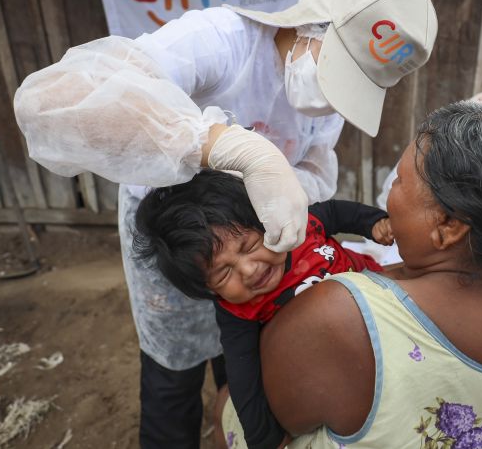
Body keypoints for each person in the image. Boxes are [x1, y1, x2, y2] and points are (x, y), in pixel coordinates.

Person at [13, 0, 437, 448]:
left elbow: (317, 172)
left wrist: (291, 192)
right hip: (182, 242)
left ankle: (233, 424)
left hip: (259, 250)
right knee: (174, 372)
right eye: (338, 69)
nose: (331, 97)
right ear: (314, 20)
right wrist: (222, 146)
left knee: (243, 360)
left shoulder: (325, 109)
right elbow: (50, 104)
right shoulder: (222, 41)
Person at [215, 102, 482, 448]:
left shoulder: (343, 315)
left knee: (224, 403)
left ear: (448, 226)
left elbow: (268, 427)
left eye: (400, 181)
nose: (390, 192)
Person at [132, 169, 392, 448]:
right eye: (222, 274)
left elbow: (337, 212)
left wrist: (373, 222)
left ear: (266, 221)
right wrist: (265, 438)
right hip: (335, 370)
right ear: (209, 291)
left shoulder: (299, 228)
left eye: (250, 245)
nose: (249, 269)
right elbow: (244, 380)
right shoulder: (236, 313)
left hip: (389, 312)